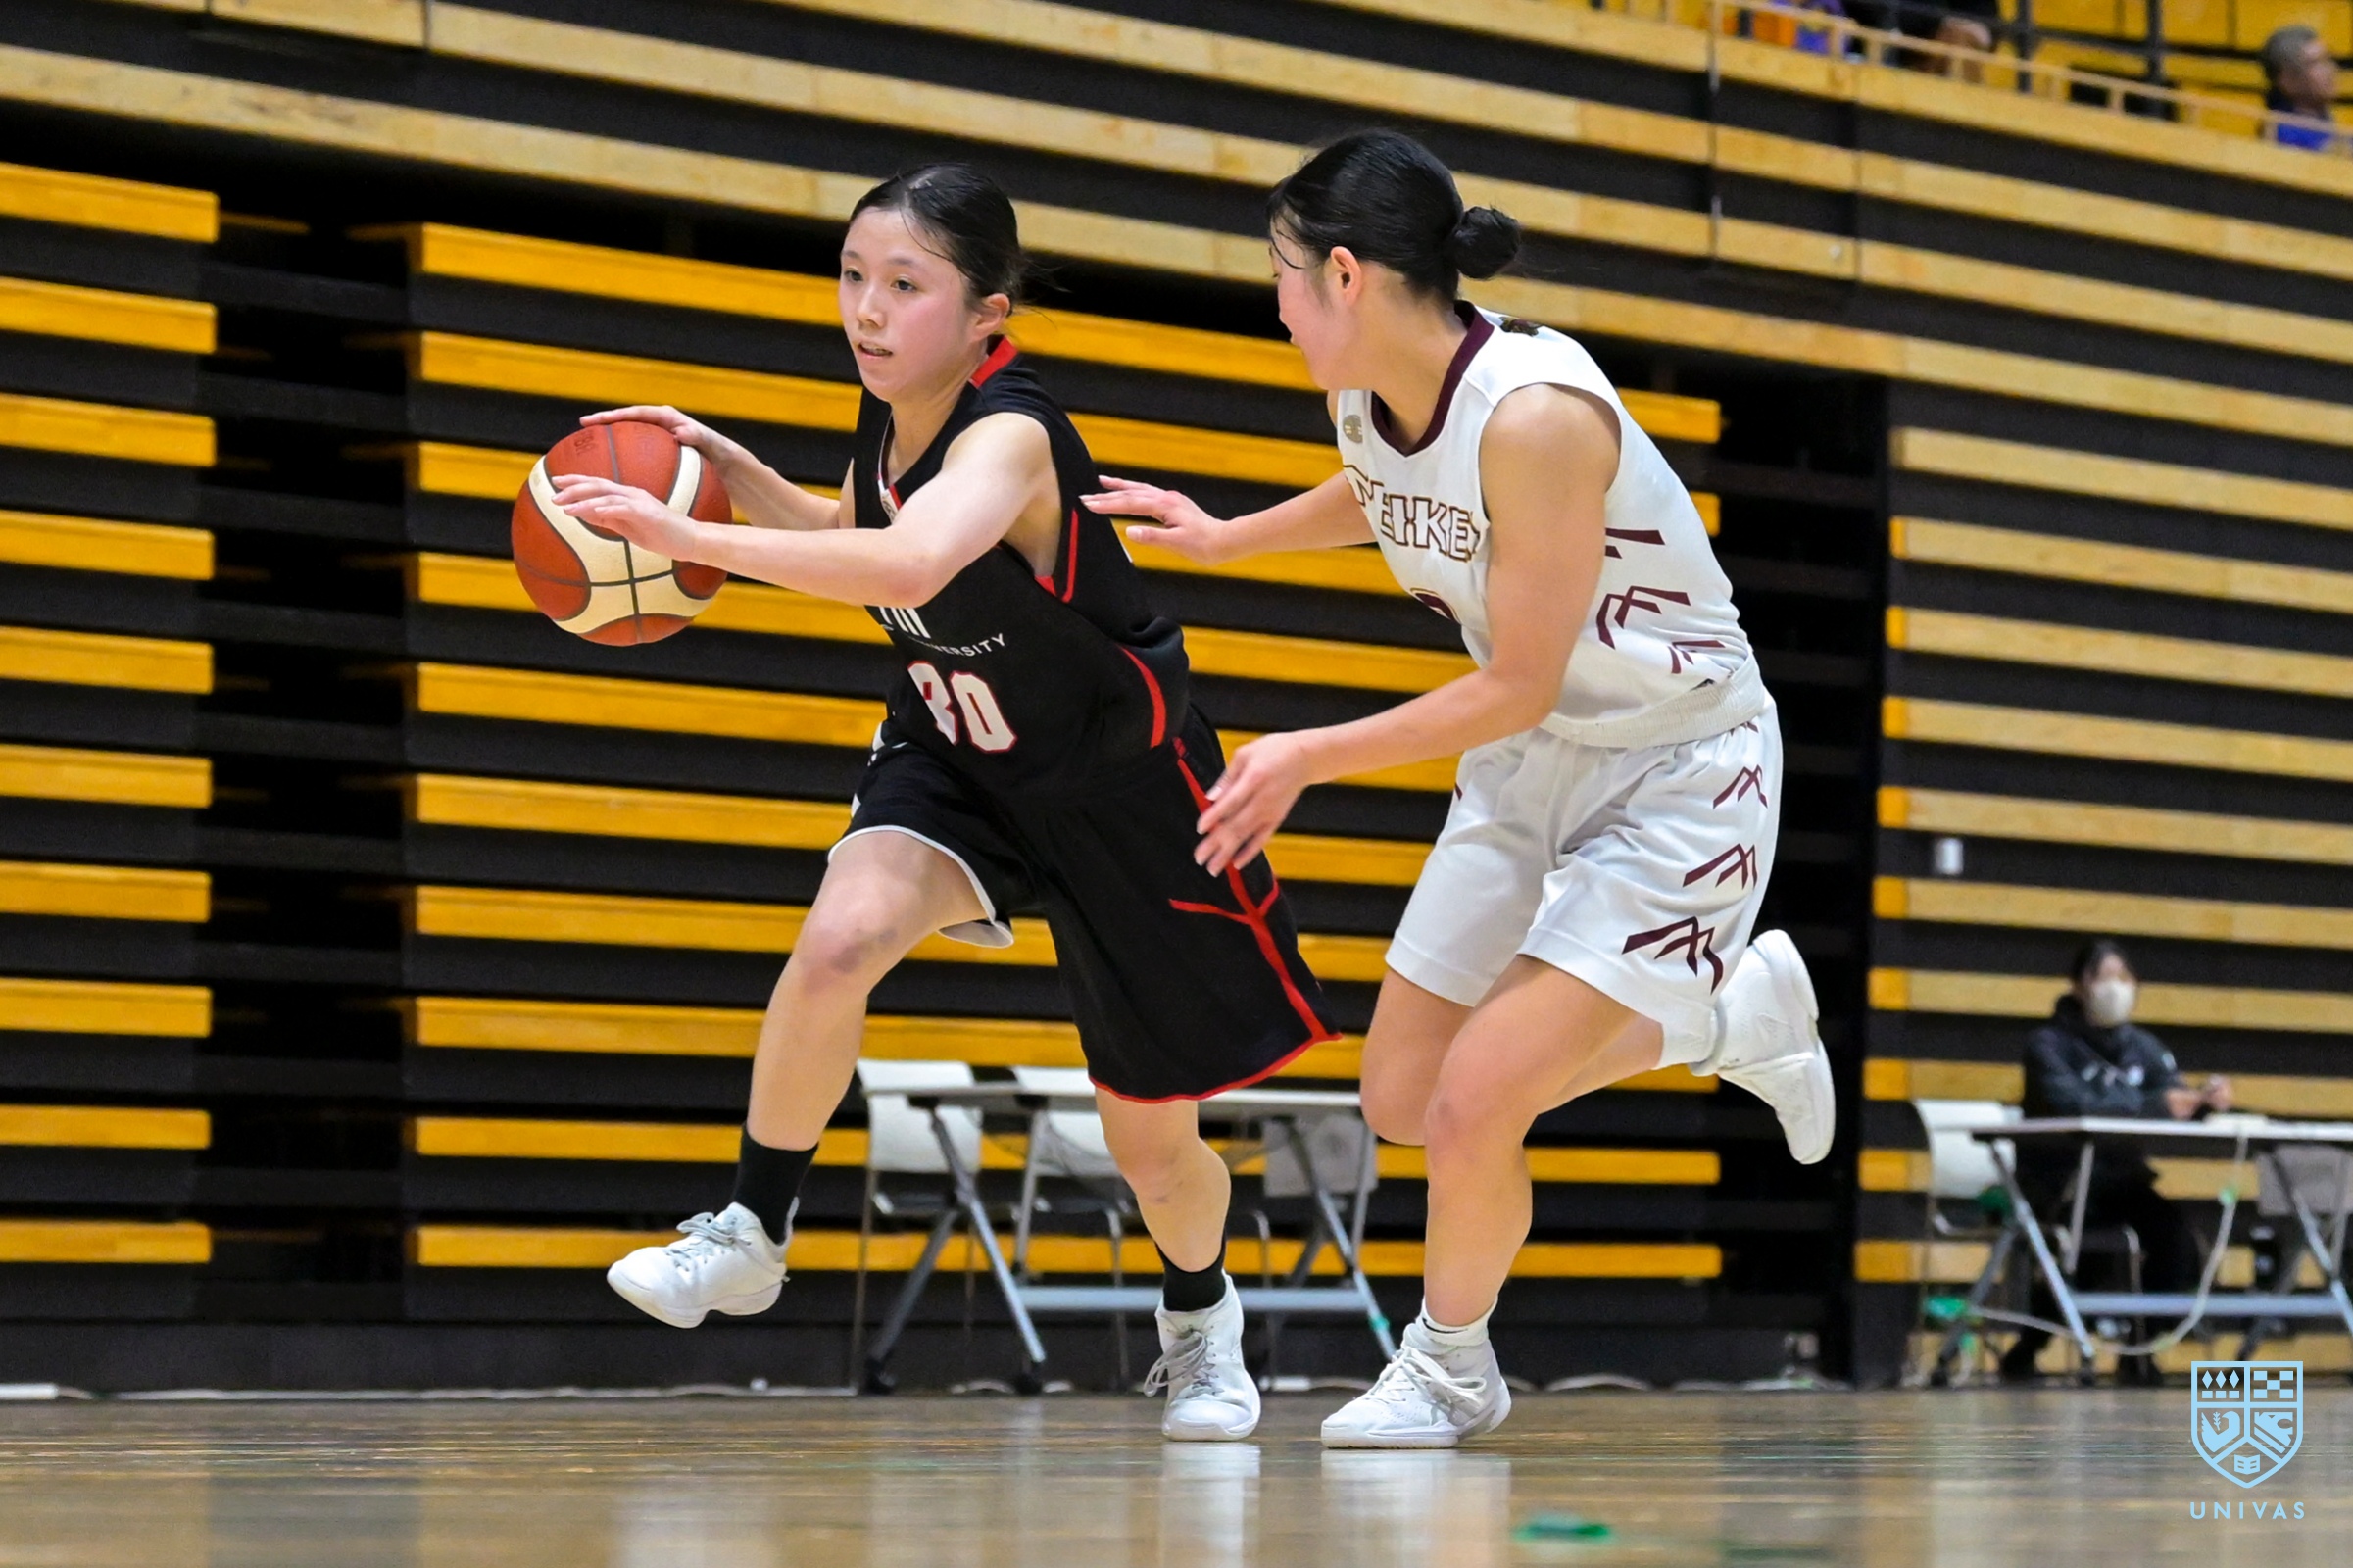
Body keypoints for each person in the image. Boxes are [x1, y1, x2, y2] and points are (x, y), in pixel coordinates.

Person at [553, 164, 1343, 1441]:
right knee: (841, 938)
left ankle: (1200, 1320)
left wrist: (688, 539)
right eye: (852, 276)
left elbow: (915, 560)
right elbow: (852, 532)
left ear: (987, 314)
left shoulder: (1010, 434)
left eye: (904, 285)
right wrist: (723, 469)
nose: (867, 310)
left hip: (1118, 787)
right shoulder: (892, 420)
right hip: (960, 754)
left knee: (1153, 1143)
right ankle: (752, 1227)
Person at [1087, 131, 1833, 1448]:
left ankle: (1448, 1367)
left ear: (1344, 274)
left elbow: (1518, 681)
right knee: (1402, 1096)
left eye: (1281, 275)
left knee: (1477, 1098)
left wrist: (1309, 752)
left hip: (1678, 767)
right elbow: (1387, 491)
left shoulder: (1537, 415)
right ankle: (1727, 1022)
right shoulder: (1368, 395)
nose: (1274, 305)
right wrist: (1225, 536)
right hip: (1537, 761)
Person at [1998, 939, 2227, 1383]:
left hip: (2120, 1183)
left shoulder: (2144, 1046)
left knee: (2177, 1242)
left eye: (2124, 977)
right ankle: (2028, 1347)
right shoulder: (2047, 1045)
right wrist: (2153, 1106)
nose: (2116, 988)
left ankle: (2140, 1346)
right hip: (2059, 1181)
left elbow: (2173, 1095)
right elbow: (2073, 1104)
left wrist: (2203, 1101)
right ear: (2078, 984)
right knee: (2087, 1258)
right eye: (2104, 977)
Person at [2261, 24, 2341, 151]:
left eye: (2327, 59)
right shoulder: (2280, 134)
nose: (2330, 70)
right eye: (2315, 63)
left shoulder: (2326, 121)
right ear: (2287, 79)